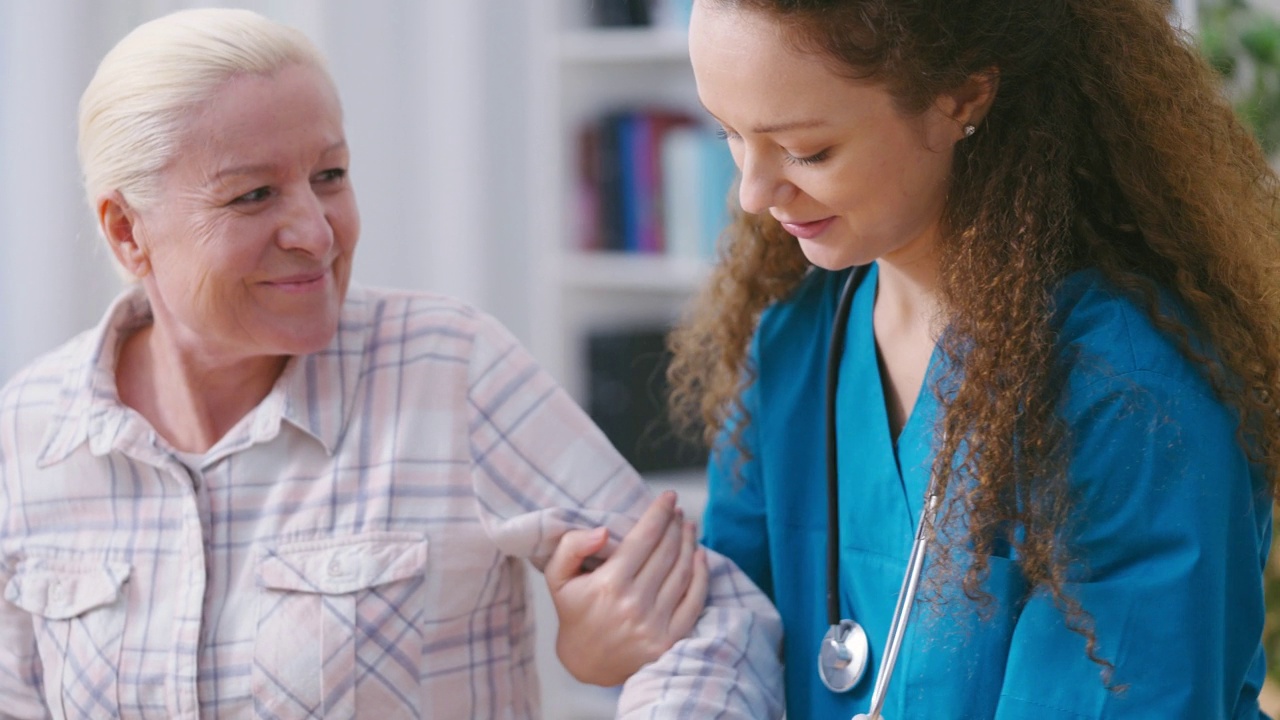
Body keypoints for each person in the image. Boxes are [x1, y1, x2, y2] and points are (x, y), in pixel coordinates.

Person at [0, 9, 784, 718]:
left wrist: (616, 668)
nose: (315, 230)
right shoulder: (26, 437)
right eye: (252, 197)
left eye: (329, 176)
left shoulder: (448, 370)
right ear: (127, 231)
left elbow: (712, 622)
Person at [555, 0, 1279, 717]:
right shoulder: (795, 348)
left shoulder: (1129, 390)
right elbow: (725, 644)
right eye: (730, 136)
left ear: (962, 94)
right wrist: (628, 646)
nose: (751, 194)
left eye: (808, 150)